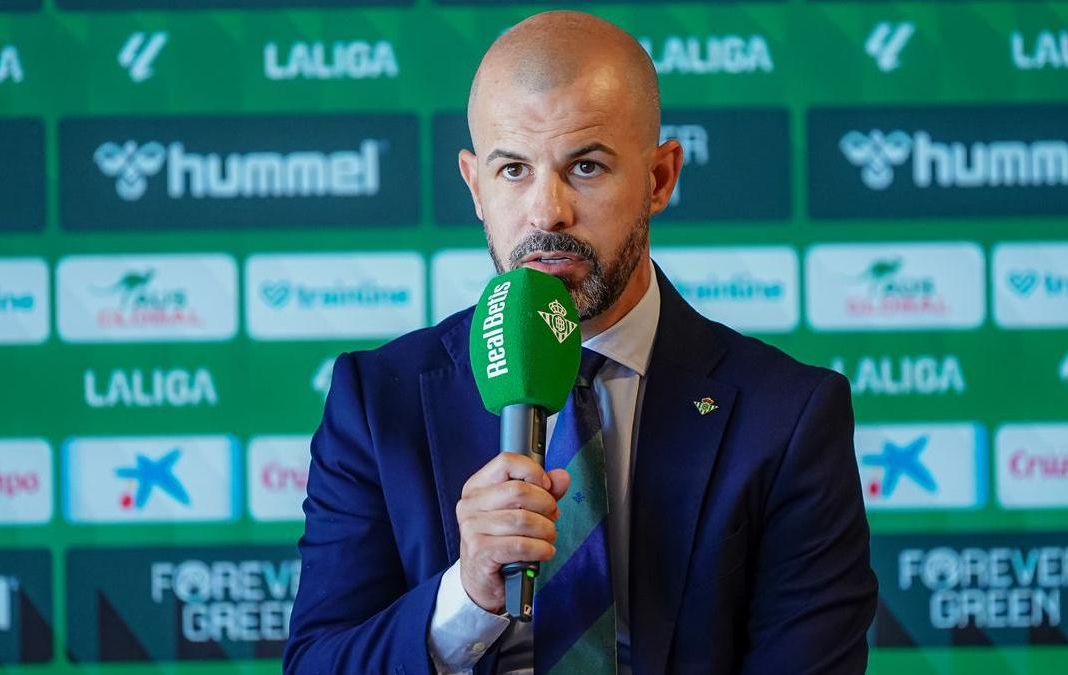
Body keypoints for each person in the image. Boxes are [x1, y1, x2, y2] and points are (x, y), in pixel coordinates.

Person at [283, 10, 877, 674]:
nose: (547, 212)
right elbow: (317, 663)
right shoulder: (375, 400)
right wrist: (468, 593)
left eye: (586, 167)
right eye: (513, 170)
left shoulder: (788, 416)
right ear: (475, 186)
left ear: (659, 178)